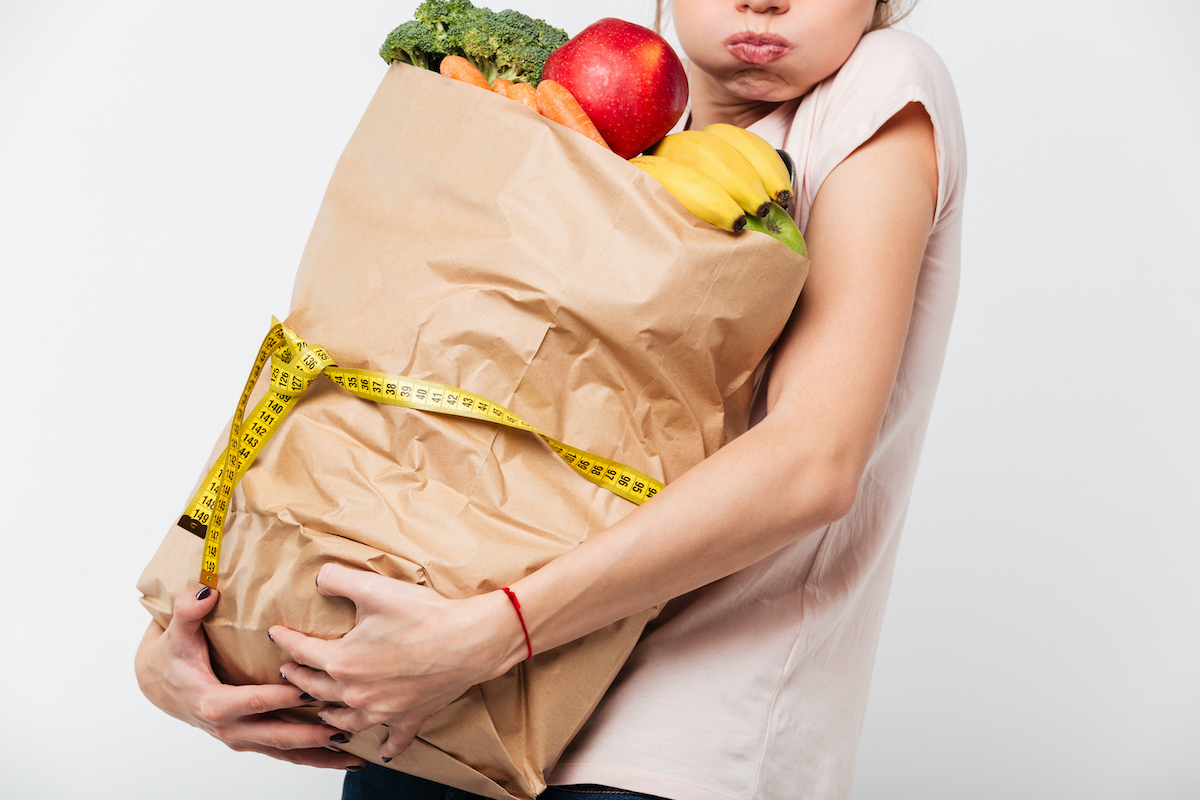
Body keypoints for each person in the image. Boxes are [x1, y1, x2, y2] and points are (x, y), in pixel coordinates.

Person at [135, 0, 965, 797]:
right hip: (435, 717)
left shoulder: (879, 85)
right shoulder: (608, 139)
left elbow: (812, 462)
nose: (762, 0)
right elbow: (378, 375)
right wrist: (183, 646)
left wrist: (492, 632)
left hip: (660, 749)